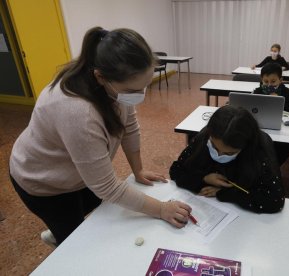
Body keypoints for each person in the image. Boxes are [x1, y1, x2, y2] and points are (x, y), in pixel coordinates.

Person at [9, 27, 192, 247]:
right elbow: (107, 187)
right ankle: (60, 234)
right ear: (100, 76)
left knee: (95, 206)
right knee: (75, 244)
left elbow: (130, 125)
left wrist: (138, 169)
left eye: (144, 87)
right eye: (132, 89)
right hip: (44, 180)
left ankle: (61, 228)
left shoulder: (112, 85)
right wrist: (162, 209)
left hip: (76, 171)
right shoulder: (78, 112)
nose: (139, 96)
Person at [169, 105, 285, 214]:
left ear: (245, 147)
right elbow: (176, 170)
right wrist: (204, 178)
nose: (219, 155)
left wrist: (224, 193)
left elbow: (275, 201)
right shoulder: (205, 136)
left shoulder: (259, 151)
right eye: (214, 147)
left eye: (229, 153)